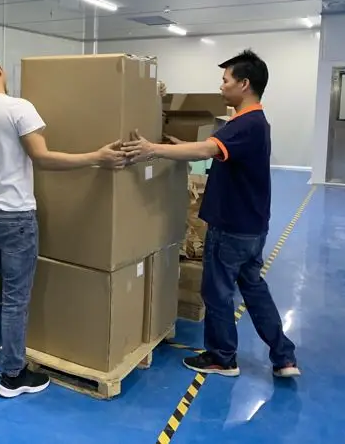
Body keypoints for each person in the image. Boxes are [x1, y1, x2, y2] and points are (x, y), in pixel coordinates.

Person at [0, 49, 128, 398]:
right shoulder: (18, 107)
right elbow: (42, 157)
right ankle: (13, 375)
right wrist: (97, 158)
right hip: (15, 216)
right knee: (15, 298)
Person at [123, 49, 300, 379]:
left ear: (244, 84)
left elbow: (207, 148)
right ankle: (284, 356)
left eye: (226, 80)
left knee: (217, 292)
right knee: (254, 290)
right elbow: (216, 153)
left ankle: (222, 358)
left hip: (230, 226)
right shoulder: (254, 123)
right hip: (252, 226)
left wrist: (152, 149)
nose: (221, 86)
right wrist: (177, 145)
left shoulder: (245, 123)